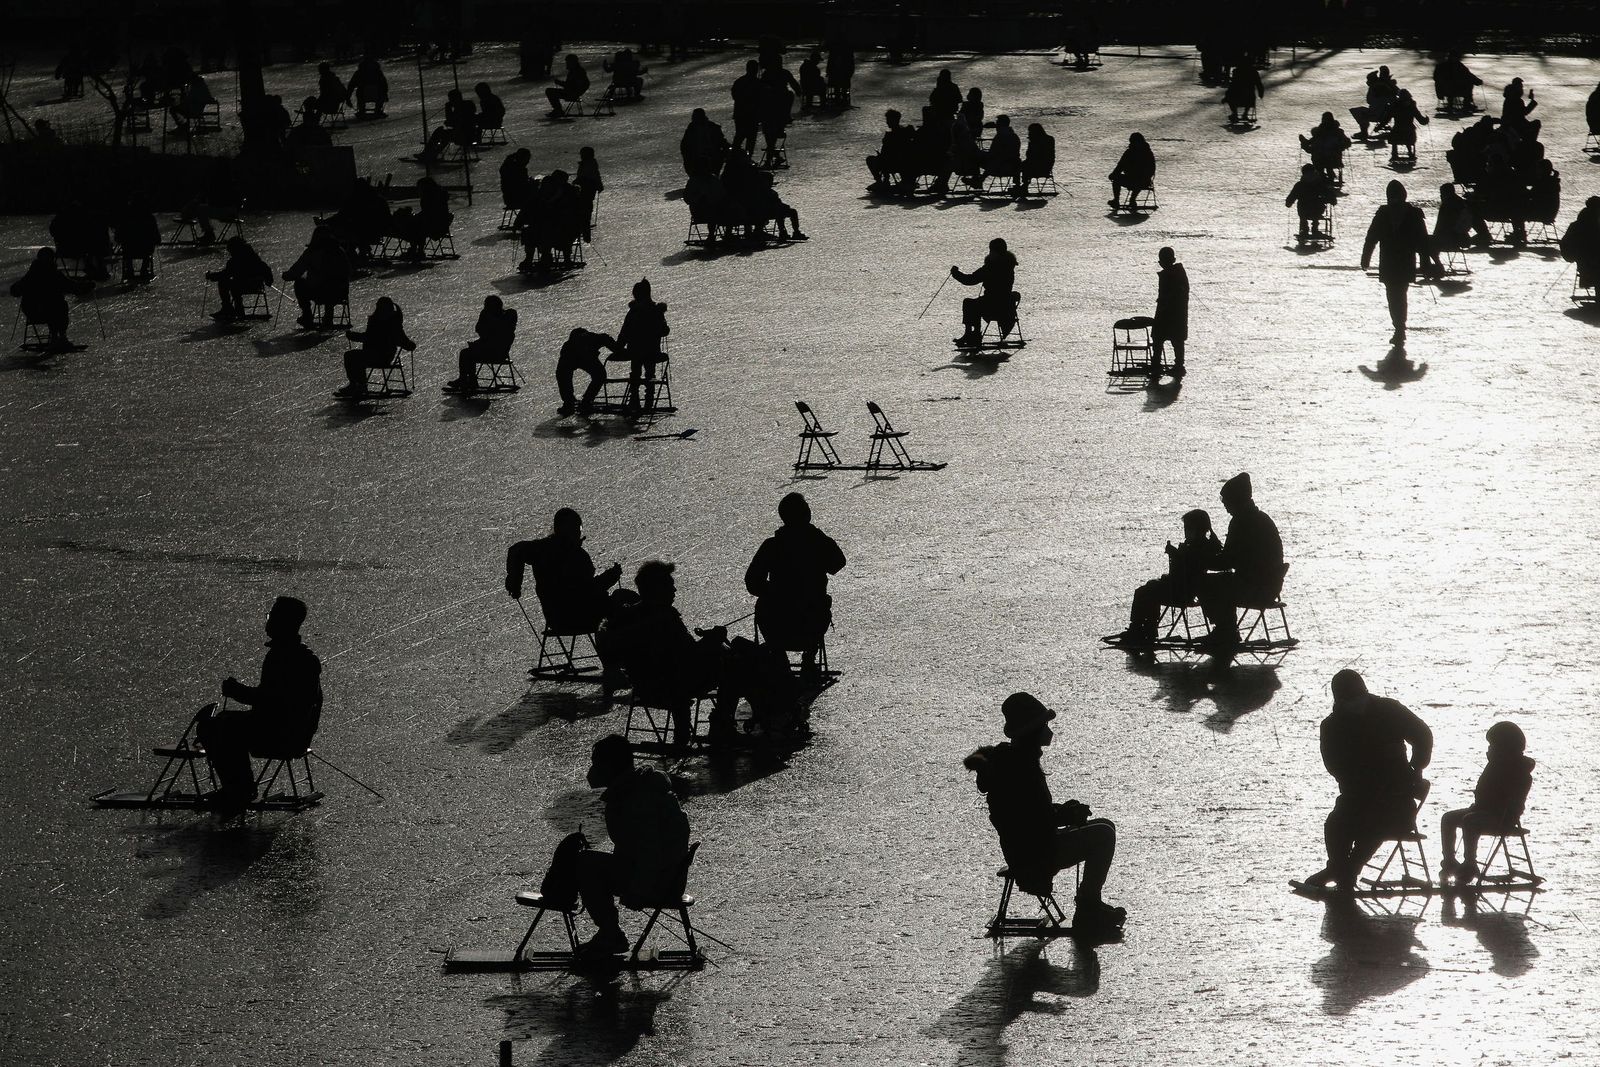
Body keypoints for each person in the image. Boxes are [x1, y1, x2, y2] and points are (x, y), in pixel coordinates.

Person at [962, 693, 1128, 937]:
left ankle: (1089, 903)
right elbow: (1034, 821)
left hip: (1030, 847)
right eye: (1044, 726)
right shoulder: (1019, 769)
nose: (1048, 731)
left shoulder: (1014, 761)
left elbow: (1035, 812)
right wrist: (1067, 814)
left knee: (1105, 825)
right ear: (1032, 731)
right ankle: (1088, 907)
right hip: (1035, 853)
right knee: (1103, 834)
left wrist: (1064, 811)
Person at [1301, 670, 1432, 894]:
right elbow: (1333, 764)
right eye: (1349, 700)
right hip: (1357, 795)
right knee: (1335, 824)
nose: (1356, 703)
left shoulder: (1389, 710)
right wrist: (1358, 780)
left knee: (1374, 826)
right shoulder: (1332, 725)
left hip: (1396, 798)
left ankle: (1347, 871)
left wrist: (1416, 766)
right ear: (1339, 701)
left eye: (1358, 696)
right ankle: (1337, 868)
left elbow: (1422, 735)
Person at [196, 596, 323, 819]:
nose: (268, 620)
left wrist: (236, 691)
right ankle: (239, 787)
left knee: (212, 727)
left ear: (282, 622)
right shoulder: (302, 657)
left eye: (271, 616)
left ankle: (239, 789)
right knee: (225, 720)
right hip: (294, 733)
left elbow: (269, 700)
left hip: (278, 735)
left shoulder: (283, 657)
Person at [572, 735, 691, 957]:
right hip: (666, 876)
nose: (591, 771)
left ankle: (610, 933)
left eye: (596, 764)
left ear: (610, 766)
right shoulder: (637, 788)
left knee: (585, 863)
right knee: (589, 862)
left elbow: (651, 851)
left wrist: (638, 890)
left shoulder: (636, 799)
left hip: (659, 881)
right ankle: (609, 932)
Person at [744, 493, 846, 677]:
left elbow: (752, 582)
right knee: (818, 605)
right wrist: (818, 536)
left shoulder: (771, 546)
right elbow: (838, 563)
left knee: (766, 607)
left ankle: (779, 657)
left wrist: (773, 592)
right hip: (810, 618)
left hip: (777, 621)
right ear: (806, 515)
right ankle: (808, 656)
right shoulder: (816, 543)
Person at [1439, 722, 1535, 886]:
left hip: (1502, 818)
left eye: (1493, 746)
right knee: (1448, 818)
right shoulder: (1495, 765)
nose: (1489, 749)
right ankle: (1449, 862)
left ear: (1505, 748)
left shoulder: (1518, 772)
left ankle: (1470, 863)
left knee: (1470, 821)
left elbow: (1505, 801)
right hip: (1482, 811)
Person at [1195, 472, 1283, 651]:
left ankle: (1225, 631)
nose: (1226, 508)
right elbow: (1234, 557)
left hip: (1256, 588)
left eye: (1227, 502)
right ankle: (1226, 629)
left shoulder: (1241, 523)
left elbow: (1227, 561)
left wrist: (1201, 561)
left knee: (1203, 582)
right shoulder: (1262, 519)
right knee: (1223, 582)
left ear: (1236, 500)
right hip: (1271, 585)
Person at [505, 509, 627, 636]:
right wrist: (611, 576)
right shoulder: (577, 556)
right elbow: (586, 591)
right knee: (624, 600)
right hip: (582, 616)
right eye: (578, 528)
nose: (579, 532)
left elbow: (516, 550)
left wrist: (514, 582)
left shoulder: (541, 549)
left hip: (556, 620)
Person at [1111, 510, 1221, 646]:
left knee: (1143, 592)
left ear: (1198, 529)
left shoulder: (1197, 548)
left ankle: (1140, 628)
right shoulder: (1201, 545)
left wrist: (1176, 555)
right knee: (1150, 587)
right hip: (1185, 589)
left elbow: (1184, 571)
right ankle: (1147, 628)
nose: (1186, 532)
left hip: (1182, 592)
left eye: (1188, 529)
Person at [1361, 180, 1439, 346]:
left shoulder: (1411, 214)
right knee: (1395, 296)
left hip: (1401, 261)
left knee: (1397, 295)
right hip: (1392, 261)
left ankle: (1399, 327)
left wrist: (1425, 262)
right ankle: (1399, 326)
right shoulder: (1386, 214)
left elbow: (1422, 241)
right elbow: (1372, 237)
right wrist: (1365, 257)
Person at [8, 247, 93, 350]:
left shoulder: (31, 275)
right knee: (58, 306)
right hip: (41, 311)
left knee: (55, 305)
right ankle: (59, 337)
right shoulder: (52, 275)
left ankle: (57, 337)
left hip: (33, 312)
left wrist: (85, 287)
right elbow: (73, 287)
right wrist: (86, 287)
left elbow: (15, 291)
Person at [336, 297, 416, 398]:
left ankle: (360, 385)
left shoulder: (392, 324)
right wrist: (353, 336)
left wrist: (410, 345)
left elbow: (400, 339)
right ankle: (355, 384)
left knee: (355, 357)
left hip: (384, 356)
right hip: (372, 353)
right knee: (350, 356)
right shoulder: (375, 321)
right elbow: (368, 337)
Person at [951, 238, 1019, 347]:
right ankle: (973, 334)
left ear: (994, 251)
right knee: (974, 303)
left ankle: (972, 334)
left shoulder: (991, 267)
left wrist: (956, 274)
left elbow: (970, 280)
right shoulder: (1008, 265)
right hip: (1005, 305)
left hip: (994, 305)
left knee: (969, 303)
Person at [617, 278, 670, 414]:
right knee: (650, 374)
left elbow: (624, 332)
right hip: (652, 351)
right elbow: (664, 331)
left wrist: (618, 347)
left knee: (635, 373)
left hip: (635, 350)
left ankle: (634, 400)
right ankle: (649, 402)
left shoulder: (633, 312)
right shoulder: (656, 311)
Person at [282, 226, 351, 328]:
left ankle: (307, 315)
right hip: (340, 292)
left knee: (299, 283)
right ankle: (328, 317)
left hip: (319, 291)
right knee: (330, 285)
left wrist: (288, 275)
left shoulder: (311, 252)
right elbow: (348, 271)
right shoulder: (339, 251)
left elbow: (298, 269)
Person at [446, 295, 517, 394]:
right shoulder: (487, 315)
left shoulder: (508, 315)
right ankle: (468, 379)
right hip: (487, 348)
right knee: (467, 353)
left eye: (487, 306)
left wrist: (488, 319)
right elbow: (479, 329)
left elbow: (498, 331)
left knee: (467, 354)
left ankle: (468, 380)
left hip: (498, 352)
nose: (485, 308)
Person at [206, 236, 273, 321]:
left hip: (242, 286)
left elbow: (226, 274)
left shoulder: (235, 260)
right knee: (234, 284)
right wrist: (268, 280)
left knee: (223, 282)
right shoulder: (254, 258)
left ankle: (228, 308)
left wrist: (212, 276)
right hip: (256, 286)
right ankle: (234, 309)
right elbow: (266, 269)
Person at [555, 327, 618, 415]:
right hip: (584, 354)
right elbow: (607, 340)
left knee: (563, 375)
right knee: (600, 375)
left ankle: (571, 402)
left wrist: (568, 399)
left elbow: (562, 375)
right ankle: (585, 401)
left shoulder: (568, 346)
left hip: (579, 354)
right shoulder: (595, 338)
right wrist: (619, 351)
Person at [1150, 246, 1189, 378]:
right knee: (1174, 340)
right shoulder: (1177, 274)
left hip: (1170, 314)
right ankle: (1175, 364)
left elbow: (1170, 296)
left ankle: (1164, 364)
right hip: (1177, 314)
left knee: (1162, 338)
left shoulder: (1169, 275)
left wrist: (1163, 305)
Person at [420, 88, 477, 162]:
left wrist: (448, 109)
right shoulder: (465, 106)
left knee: (440, 132)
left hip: (463, 135)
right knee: (442, 132)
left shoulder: (460, 108)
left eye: (450, 99)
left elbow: (450, 122)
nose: (450, 101)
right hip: (470, 134)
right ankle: (432, 153)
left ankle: (430, 153)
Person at [112, 197, 160, 284]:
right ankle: (144, 269)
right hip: (145, 249)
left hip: (129, 249)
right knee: (147, 246)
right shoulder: (149, 217)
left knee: (127, 248)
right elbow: (156, 237)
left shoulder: (125, 217)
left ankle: (129, 270)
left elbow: (118, 237)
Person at [867, 109, 916, 193]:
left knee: (870, 159)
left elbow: (885, 153)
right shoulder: (906, 131)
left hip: (893, 163)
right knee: (884, 158)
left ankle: (880, 181)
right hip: (905, 162)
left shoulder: (890, 136)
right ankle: (886, 181)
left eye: (888, 120)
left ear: (893, 120)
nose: (887, 122)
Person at [1435, 182, 1492, 255]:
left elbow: (1440, 224)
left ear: (1444, 194)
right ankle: (1484, 235)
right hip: (1461, 233)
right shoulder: (1462, 202)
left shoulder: (1446, 205)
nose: (1441, 196)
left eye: (1441, 194)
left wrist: (1435, 237)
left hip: (1452, 237)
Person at [1285, 164, 1337, 242]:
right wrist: (1331, 200)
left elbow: (1291, 197)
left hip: (1304, 211)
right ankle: (1314, 228)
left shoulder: (1300, 185)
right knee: (1317, 205)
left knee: (1303, 207)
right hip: (1317, 210)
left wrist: (1288, 203)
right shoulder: (1319, 184)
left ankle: (1304, 229)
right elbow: (1329, 194)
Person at [1560, 195, 1600, 290]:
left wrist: (1571, 256)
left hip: (1584, 265)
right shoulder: (1595, 227)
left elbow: (1565, 243)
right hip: (1590, 266)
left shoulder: (1576, 225)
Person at [1108, 132, 1155, 211]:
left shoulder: (1129, 152)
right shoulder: (1148, 152)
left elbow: (1120, 166)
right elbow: (1152, 169)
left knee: (1116, 179)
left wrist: (1113, 174)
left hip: (1132, 180)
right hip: (1145, 181)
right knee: (1139, 180)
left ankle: (1117, 200)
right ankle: (1132, 199)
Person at [1299, 112, 1351, 182]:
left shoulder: (1319, 132)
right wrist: (1340, 146)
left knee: (1317, 154)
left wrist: (1305, 144)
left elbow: (1311, 144)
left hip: (1321, 158)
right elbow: (1347, 143)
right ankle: (1328, 175)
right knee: (1321, 154)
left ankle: (1323, 175)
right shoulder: (1338, 132)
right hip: (1334, 158)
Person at [680, 108, 730, 178]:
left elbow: (721, 141)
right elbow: (684, 145)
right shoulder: (692, 129)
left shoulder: (709, 127)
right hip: (700, 158)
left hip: (710, 157)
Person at [1385, 88, 1428, 163]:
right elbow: (1421, 120)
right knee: (1408, 134)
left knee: (1394, 133)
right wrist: (1426, 120)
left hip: (1397, 130)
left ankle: (1394, 153)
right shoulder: (1412, 106)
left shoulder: (1395, 106)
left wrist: (1379, 127)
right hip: (1409, 132)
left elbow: (1386, 118)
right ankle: (1410, 153)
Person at [730, 60, 763, 155]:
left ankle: (734, 156)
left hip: (740, 114)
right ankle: (747, 158)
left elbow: (735, 96)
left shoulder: (739, 82)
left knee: (739, 136)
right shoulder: (758, 83)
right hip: (752, 115)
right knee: (750, 138)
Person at [982, 114, 1022, 188]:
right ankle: (979, 180)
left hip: (1001, 166)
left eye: (997, 123)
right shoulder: (1014, 135)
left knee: (978, 158)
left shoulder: (1000, 136)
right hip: (1013, 166)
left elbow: (993, 153)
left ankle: (978, 179)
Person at [1020, 122, 1055, 190]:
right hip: (1047, 166)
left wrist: (1031, 143)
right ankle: (1024, 184)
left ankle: (1023, 184)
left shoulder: (1034, 141)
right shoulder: (1050, 139)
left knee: (1022, 165)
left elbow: (1029, 155)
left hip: (1037, 167)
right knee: (1025, 164)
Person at [500, 148, 534, 216]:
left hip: (508, 199)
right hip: (517, 198)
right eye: (527, 159)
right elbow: (522, 186)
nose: (528, 162)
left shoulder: (507, 166)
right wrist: (533, 184)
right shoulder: (520, 169)